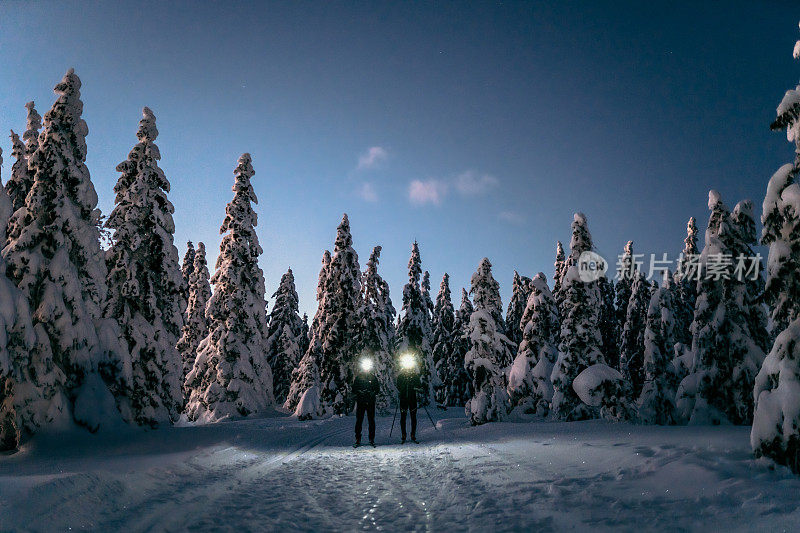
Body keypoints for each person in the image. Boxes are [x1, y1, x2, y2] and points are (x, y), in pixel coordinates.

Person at [353, 357, 379, 447]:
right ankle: (358, 439)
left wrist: (372, 392)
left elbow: (377, 389)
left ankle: (371, 439)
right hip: (361, 401)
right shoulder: (359, 377)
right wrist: (360, 391)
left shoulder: (373, 377)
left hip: (371, 402)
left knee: (371, 420)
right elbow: (354, 389)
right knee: (359, 421)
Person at [397, 354, 421, 444]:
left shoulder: (414, 376)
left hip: (412, 399)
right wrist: (405, 384)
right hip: (403, 400)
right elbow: (399, 387)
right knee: (403, 418)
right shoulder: (401, 376)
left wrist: (413, 386)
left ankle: (413, 435)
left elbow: (419, 386)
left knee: (413, 418)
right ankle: (403, 435)